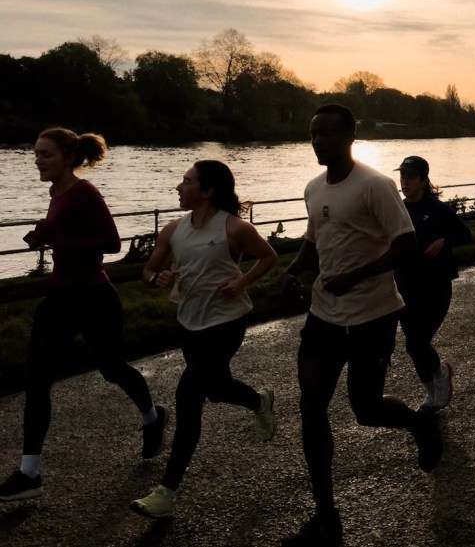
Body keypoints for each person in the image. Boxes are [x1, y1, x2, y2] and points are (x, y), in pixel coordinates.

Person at [280, 104, 443, 545]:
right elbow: (314, 244)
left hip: (372, 315)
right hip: (323, 317)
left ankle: (418, 424)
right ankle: (326, 516)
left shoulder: (375, 185)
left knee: (365, 410)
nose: (317, 142)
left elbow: (406, 244)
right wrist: (294, 270)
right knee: (311, 408)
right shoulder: (314, 188)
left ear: (350, 136)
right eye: (313, 133)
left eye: (327, 134)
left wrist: (356, 275)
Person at [0, 128, 165, 502]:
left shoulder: (85, 192)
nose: (38, 160)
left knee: (112, 368)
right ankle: (29, 474)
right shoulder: (56, 193)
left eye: (46, 155)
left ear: (69, 158)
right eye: (36, 154)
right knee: (37, 379)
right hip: (60, 295)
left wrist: (55, 239)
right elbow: (64, 231)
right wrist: (44, 232)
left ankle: (153, 417)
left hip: (93, 296)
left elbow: (111, 243)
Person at [129, 160, 280, 519]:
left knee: (190, 397)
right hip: (189, 323)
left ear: (207, 190)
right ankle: (258, 400)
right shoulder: (172, 230)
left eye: (186, 181)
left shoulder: (233, 228)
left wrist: (241, 282)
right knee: (215, 387)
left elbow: (269, 256)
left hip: (227, 321)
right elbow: (148, 270)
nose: (178, 187)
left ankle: (167, 493)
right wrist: (157, 280)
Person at [395, 155, 471, 411]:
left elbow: (465, 233)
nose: (405, 182)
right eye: (402, 176)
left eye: (411, 177)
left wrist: (444, 241)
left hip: (436, 285)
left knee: (417, 341)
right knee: (413, 345)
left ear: (424, 180)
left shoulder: (437, 209)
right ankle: (432, 392)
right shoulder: (397, 208)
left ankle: (439, 375)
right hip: (405, 285)